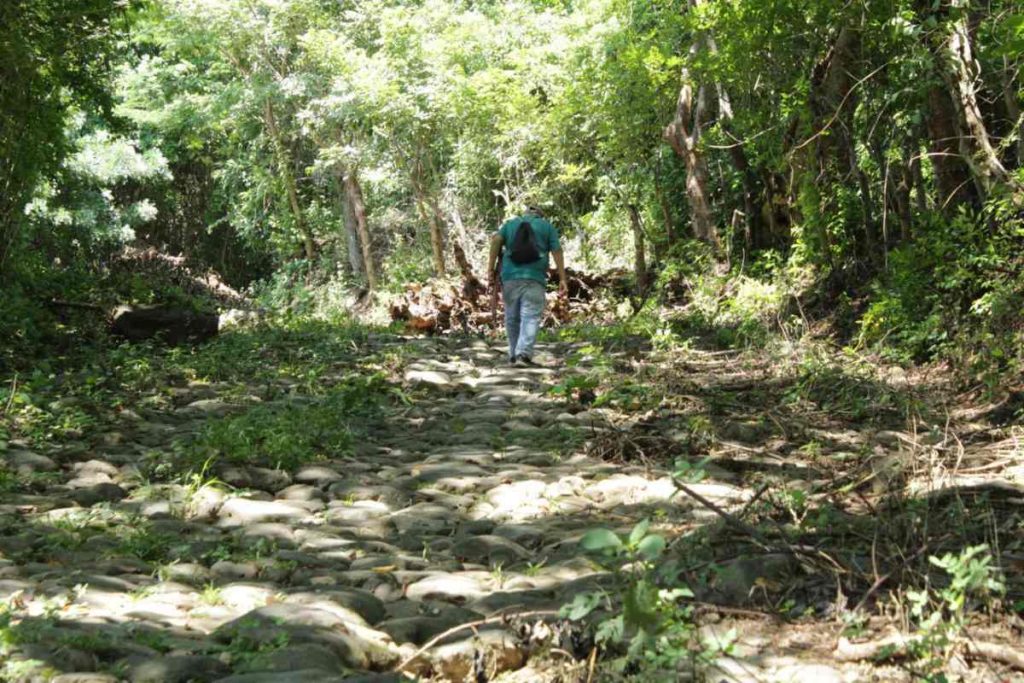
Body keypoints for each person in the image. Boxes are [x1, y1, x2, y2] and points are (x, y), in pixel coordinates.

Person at [487, 205, 568, 366]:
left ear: (524, 214)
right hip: (535, 277)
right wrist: (562, 278)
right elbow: (557, 250)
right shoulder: (546, 226)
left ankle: (513, 353)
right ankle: (523, 354)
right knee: (530, 315)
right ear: (540, 215)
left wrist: (490, 268)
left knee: (511, 316)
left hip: (510, 277)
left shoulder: (510, 224)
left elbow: (496, 240)